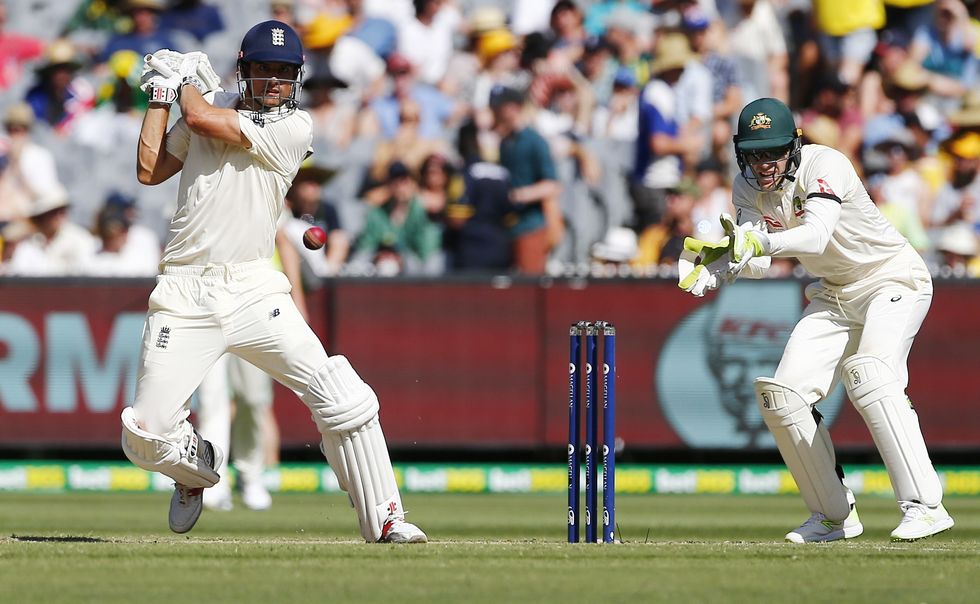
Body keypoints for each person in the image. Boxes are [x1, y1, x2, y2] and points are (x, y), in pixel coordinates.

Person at [121, 20, 426, 543]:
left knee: (341, 394)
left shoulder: (294, 129)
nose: (275, 81)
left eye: (285, 72)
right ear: (244, 71)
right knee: (142, 435)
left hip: (253, 289)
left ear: (298, 78)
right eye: (265, 69)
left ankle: (386, 516)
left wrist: (184, 79)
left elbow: (198, 113)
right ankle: (197, 469)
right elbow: (149, 170)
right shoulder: (205, 116)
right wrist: (157, 98)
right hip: (184, 291)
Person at [680, 97, 954, 543]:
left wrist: (757, 246)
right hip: (833, 294)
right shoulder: (745, 187)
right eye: (754, 152)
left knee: (872, 376)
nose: (764, 163)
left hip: (892, 278)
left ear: (794, 145)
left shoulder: (827, 163)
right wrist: (719, 264)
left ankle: (925, 507)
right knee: (782, 398)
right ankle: (833, 516)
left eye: (773, 151)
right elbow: (757, 259)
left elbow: (815, 235)